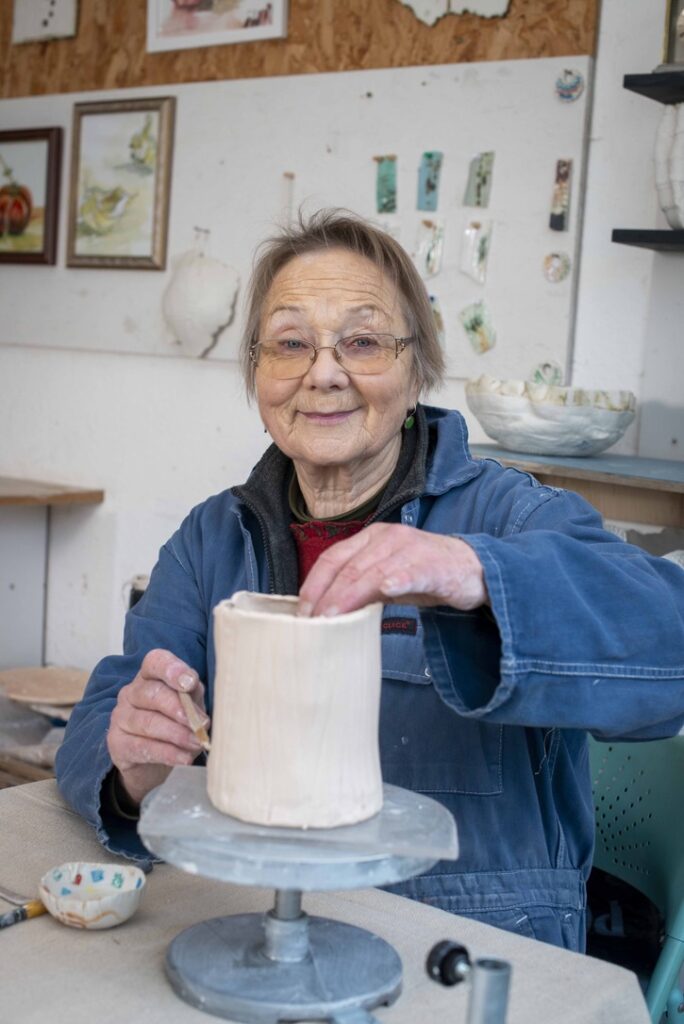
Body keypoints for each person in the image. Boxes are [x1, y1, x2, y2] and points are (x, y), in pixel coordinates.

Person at [56, 209, 684, 952]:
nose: (324, 373)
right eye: (290, 344)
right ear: (259, 376)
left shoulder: (512, 515)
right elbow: (103, 715)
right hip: (255, 924)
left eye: (362, 341)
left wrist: (474, 572)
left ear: (417, 370)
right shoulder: (210, 538)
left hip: (467, 939)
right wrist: (130, 764)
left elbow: (668, 653)